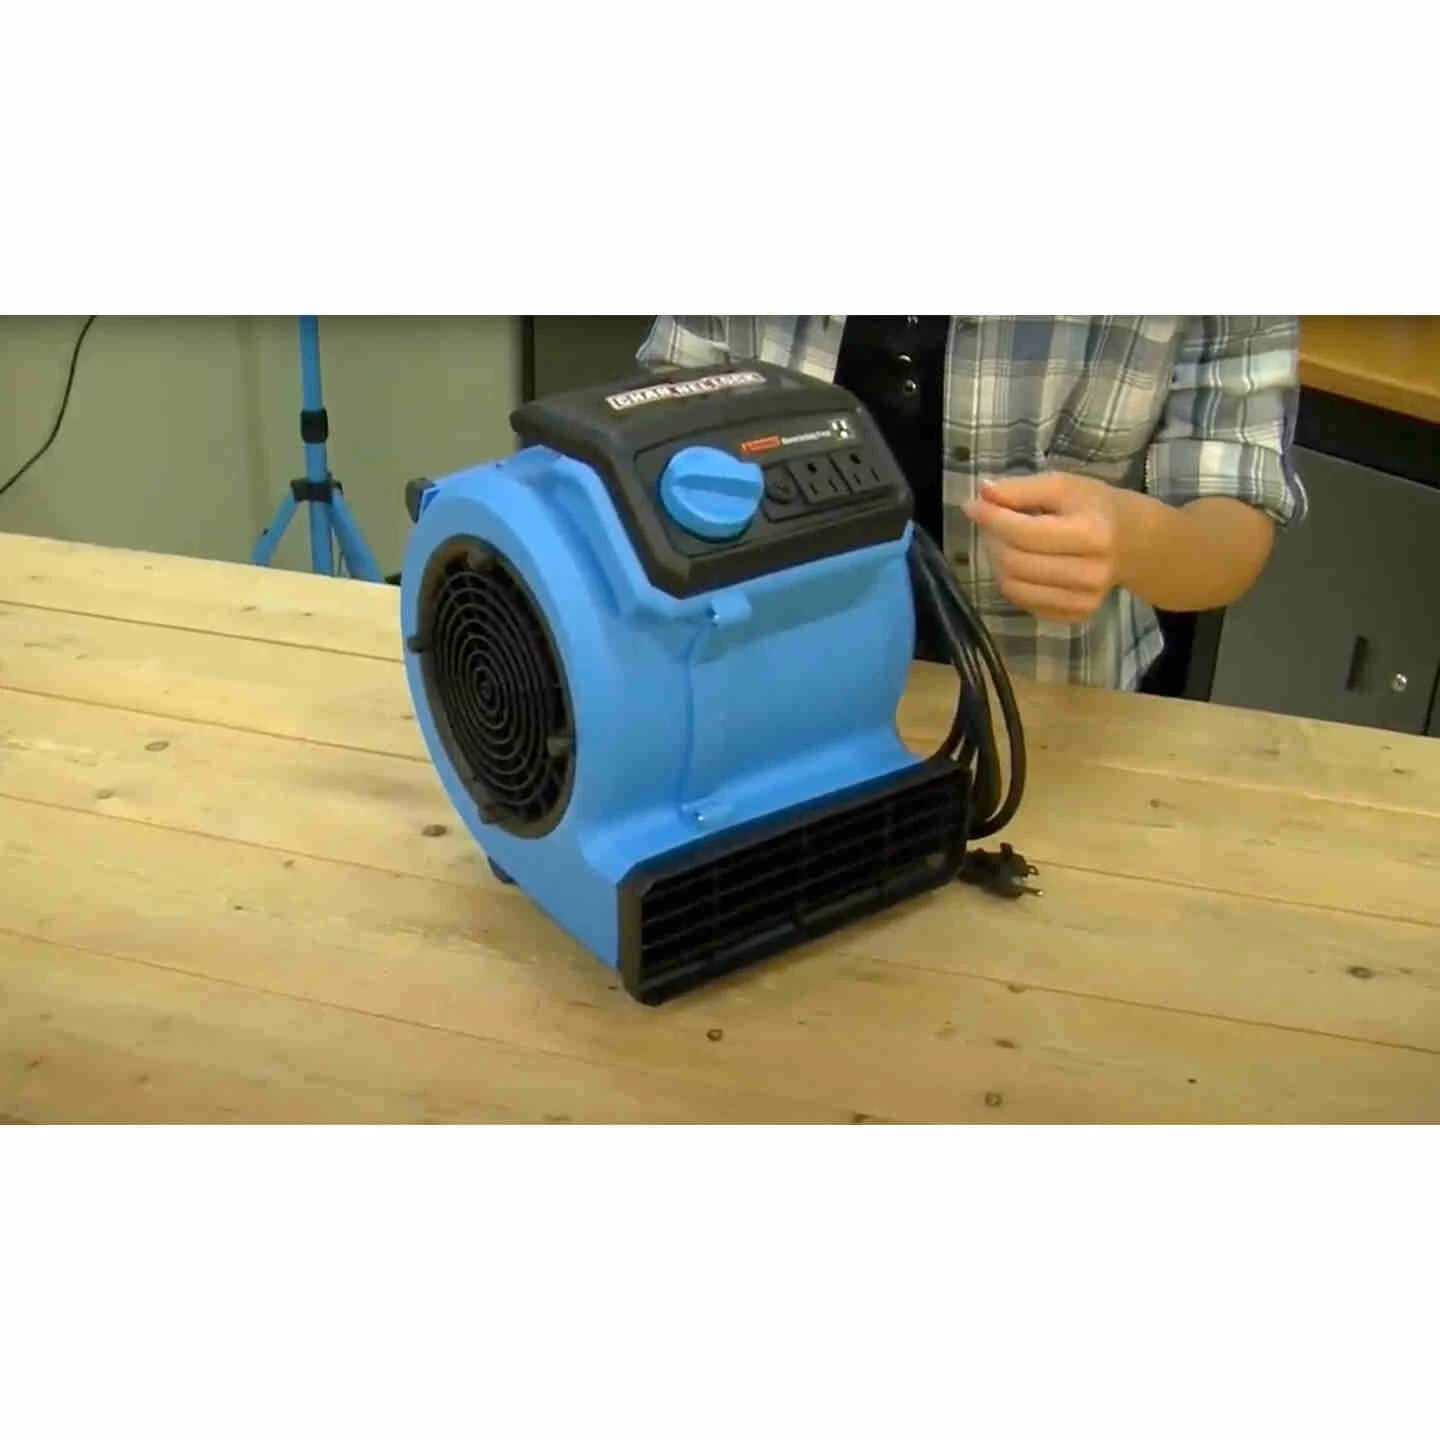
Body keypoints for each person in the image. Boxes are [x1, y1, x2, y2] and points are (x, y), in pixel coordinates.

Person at [637, 316, 1306, 691]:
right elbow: (667, 402)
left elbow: (1235, 506)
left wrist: (1134, 541)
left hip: (1046, 711)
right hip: (756, 681)